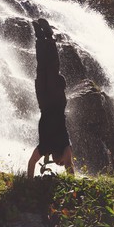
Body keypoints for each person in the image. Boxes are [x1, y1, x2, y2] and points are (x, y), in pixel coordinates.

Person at [27, 18, 74, 177]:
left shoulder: (45, 148)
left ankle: (40, 38)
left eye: (57, 163)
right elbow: (69, 165)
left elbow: (31, 162)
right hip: (57, 101)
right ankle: (49, 36)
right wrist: (65, 165)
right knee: (52, 68)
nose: (58, 162)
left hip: (44, 104)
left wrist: (29, 182)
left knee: (41, 69)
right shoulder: (64, 146)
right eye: (61, 163)